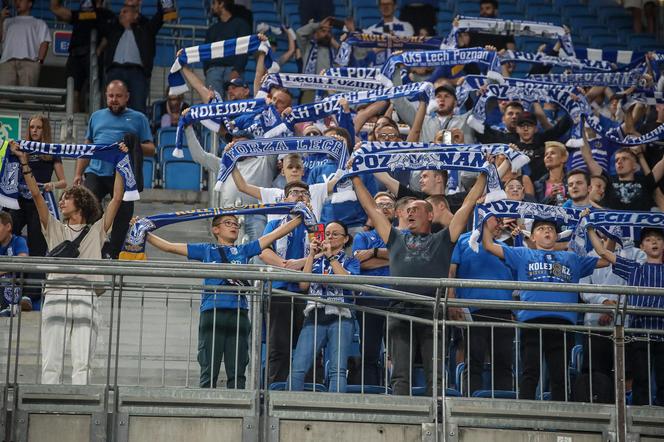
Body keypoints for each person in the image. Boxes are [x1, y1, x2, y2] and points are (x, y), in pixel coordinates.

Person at [351, 167, 488, 395]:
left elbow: (467, 205)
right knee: (400, 375)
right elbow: (371, 208)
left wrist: (484, 175)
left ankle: (436, 421)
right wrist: (355, 177)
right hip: (399, 310)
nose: (410, 213)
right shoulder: (394, 238)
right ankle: (401, 424)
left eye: (416, 209)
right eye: (408, 210)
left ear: (430, 215)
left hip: (432, 311)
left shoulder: (443, 238)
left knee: (435, 375)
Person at [142, 207, 305, 388]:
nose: (234, 226)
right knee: (208, 368)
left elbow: (274, 235)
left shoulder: (244, 250)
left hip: (239, 314)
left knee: (238, 370)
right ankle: (205, 412)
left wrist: (299, 218)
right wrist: (144, 232)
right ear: (215, 229)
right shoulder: (206, 249)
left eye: (236, 224)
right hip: (212, 313)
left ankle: (240, 412)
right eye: (228, 223)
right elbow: (168, 246)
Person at [11, 140, 126, 385]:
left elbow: (116, 198)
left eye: (67, 198)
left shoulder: (96, 231)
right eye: (61, 198)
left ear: (81, 203)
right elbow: (36, 195)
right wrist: (24, 162)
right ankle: (48, 410)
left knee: (83, 362)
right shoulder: (53, 227)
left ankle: (79, 413)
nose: (61, 202)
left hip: (85, 295)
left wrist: (119, 163)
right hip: (55, 294)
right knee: (51, 361)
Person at [482, 218, 606, 401]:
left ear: (557, 236)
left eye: (550, 229)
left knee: (560, 375)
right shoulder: (523, 254)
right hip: (532, 321)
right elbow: (488, 246)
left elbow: (606, 259)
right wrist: (485, 219)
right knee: (530, 372)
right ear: (532, 236)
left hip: (563, 324)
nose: (547, 231)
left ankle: (560, 420)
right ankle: (525, 419)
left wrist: (589, 230)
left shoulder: (571, 257)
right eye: (541, 229)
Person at [74, 80, 155, 259]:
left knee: (123, 218)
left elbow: (152, 149)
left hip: (124, 175)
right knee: (86, 207)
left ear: (127, 97)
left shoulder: (139, 118)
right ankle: (91, 248)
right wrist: (78, 173)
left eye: (118, 96)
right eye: (111, 96)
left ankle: (114, 254)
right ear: (106, 97)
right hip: (96, 172)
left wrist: (133, 144)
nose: (114, 100)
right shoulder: (96, 116)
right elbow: (87, 147)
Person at [587, 225, 664, 406]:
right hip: (638, 334)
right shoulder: (634, 268)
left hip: (662, 334)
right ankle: (639, 418)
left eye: (658, 239)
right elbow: (603, 252)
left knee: (663, 380)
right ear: (642, 247)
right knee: (641, 379)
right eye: (648, 239)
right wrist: (589, 227)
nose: (654, 242)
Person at [289, 220, 360, 393]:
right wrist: (312, 256)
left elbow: (348, 283)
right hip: (315, 315)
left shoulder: (351, 261)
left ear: (345, 239)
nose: (330, 237)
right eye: (327, 234)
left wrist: (330, 257)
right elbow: (303, 286)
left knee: (338, 369)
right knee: (298, 367)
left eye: (335, 234)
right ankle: (288, 409)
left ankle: (336, 412)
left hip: (342, 317)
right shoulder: (314, 260)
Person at [449, 216, 515, 395]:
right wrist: (451, 300)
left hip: (503, 311)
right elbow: (451, 270)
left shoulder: (505, 248)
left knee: (504, 363)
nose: (501, 225)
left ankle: (505, 408)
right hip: (473, 310)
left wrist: (515, 310)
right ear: (484, 218)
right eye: (497, 220)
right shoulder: (463, 240)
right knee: (473, 360)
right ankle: (470, 404)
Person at [9, 115, 66, 303]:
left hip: (39, 202)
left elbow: (63, 182)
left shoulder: (51, 151)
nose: (34, 130)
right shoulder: (20, 148)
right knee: (9, 239)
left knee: (36, 245)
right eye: (32, 127)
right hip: (18, 200)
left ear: (45, 130)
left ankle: (30, 293)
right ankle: (9, 287)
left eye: (39, 127)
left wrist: (52, 185)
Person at [348, 192, 395, 386]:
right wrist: (393, 259)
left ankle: (398, 394)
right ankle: (370, 391)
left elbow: (408, 258)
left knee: (398, 353)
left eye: (388, 205)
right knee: (369, 351)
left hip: (397, 298)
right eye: (379, 205)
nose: (384, 208)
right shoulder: (363, 236)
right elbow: (360, 264)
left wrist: (374, 253)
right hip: (369, 298)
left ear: (396, 211)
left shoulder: (404, 234)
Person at [50, 0, 115, 112]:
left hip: (91, 53)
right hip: (75, 54)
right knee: (72, 92)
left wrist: (98, 51)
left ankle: (92, 121)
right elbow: (55, 8)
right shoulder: (80, 14)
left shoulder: (105, 14)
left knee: (93, 92)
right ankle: (73, 121)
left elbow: (108, 36)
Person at [101, 2, 163, 114]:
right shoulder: (113, 30)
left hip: (137, 73)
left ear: (135, 15)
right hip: (115, 71)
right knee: (113, 107)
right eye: (120, 12)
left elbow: (161, 15)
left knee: (138, 107)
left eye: (125, 12)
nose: (121, 14)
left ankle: (136, 132)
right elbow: (100, 15)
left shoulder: (146, 30)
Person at [204, 0, 251, 95]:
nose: (212, 7)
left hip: (233, 69)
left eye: (214, 3)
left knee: (233, 104)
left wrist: (237, 69)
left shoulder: (241, 24)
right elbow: (207, 52)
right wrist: (207, 70)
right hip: (213, 70)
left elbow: (244, 49)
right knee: (213, 106)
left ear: (221, 4)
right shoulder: (212, 29)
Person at [0, 0, 51, 86]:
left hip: (29, 62)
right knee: (3, 96)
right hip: (7, 61)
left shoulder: (39, 23)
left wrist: (39, 62)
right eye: (16, 1)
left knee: (29, 96)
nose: (17, 3)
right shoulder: (7, 21)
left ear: (29, 3)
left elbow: (44, 43)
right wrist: (0, 19)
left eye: (20, 0)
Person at [0, 211, 29, 316]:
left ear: (8, 227)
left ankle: (11, 306)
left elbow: (23, 259)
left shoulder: (18, 241)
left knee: (6, 281)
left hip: (14, 283)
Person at [534, 141, 569, 205]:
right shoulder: (538, 184)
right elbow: (535, 208)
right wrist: (550, 197)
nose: (548, 156)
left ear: (564, 158)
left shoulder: (571, 181)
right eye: (546, 154)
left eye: (552, 153)